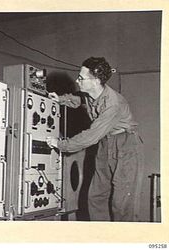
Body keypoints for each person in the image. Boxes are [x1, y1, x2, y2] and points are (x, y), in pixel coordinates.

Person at [46, 57, 144, 222]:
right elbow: (80, 100)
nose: (77, 81)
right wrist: (61, 99)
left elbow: (91, 136)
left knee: (122, 204)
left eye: (81, 78)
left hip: (126, 146)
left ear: (96, 81)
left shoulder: (113, 104)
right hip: (106, 143)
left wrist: (60, 144)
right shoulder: (91, 94)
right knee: (96, 197)